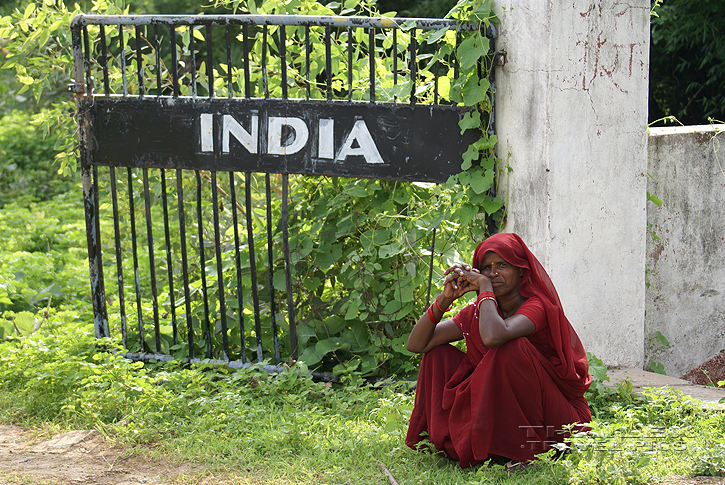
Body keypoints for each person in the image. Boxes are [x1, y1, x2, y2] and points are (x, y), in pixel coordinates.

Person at [405, 232, 592, 468]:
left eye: (502, 265)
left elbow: (495, 336)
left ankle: (524, 450)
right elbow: (417, 345)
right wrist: (444, 299)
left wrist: (484, 286)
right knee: (437, 355)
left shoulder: (536, 306)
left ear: (522, 270)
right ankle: (471, 441)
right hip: (507, 413)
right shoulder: (477, 312)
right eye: (486, 268)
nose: (493, 273)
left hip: (558, 420)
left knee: (512, 348)